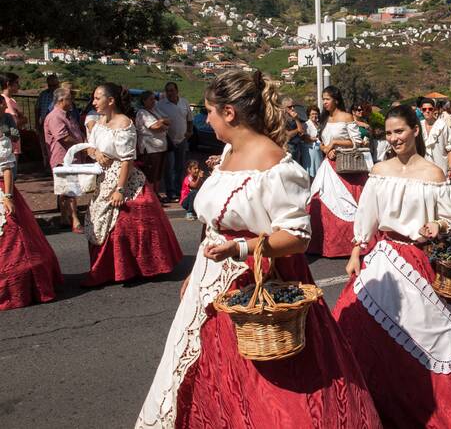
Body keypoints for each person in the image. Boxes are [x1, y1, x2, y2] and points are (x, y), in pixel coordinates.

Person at [136, 71, 381, 429]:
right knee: (207, 373)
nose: (207, 120)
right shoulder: (227, 152)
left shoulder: (277, 165)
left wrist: (240, 248)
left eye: (210, 112)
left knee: (266, 388)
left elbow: (297, 237)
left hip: (258, 284)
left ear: (230, 112)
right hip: (212, 281)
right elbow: (214, 225)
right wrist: (196, 272)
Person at [333, 105, 451, 427]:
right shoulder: (379, 170)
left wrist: (438, 227)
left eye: (399, 131)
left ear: (415, 131)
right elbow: (366, 217)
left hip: (421, 256)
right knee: (360, 324)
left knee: (443, 331)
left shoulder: (433, 174)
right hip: (384, 256)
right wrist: (355, 252)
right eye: (389, 133)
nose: (394, 138)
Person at [82, 83, 183, 287]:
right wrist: (95, 153)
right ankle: (106, 269)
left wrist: (120, 190)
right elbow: (90, 147)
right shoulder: (99, 121)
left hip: (124, 178)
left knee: (126, 221)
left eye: (97, 98)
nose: (93, 102)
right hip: (103, 178)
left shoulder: (125, 123)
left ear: (111, 101)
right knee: (98, 219)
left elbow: (127, 160)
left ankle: (136, 267)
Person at [0, 133, 62, 311]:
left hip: (2, 191)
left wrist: (8, 196)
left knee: (14, 233)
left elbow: (6, 168)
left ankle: (23, 285)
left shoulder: (1, 139)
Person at [307, 85, 369, 258]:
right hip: (328, 166)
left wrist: (335, 144)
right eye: (323, 99)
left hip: (346, 168)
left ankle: (351, 244)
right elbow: (321, 142)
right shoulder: (324, 119)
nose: (324, 102)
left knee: (350, 205)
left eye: (327, 99)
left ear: (335, 99)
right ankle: (323, 245)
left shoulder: (347, 116)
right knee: (319, 200)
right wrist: (326, 149)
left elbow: (357, 142)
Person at [44, 87, 84, 233]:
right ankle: (75, 219)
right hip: (63, 157)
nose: (72, 101)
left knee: (64, 189)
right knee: (70, 188)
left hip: (69, 157)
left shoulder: (68, 115)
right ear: (61, 100)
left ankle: (64, 218)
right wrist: (82, 146)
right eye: (69, 98)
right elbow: (64, 137)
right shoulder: (55, 116)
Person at [157, 82, 193, 202]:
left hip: (182, 139)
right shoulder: (161, 104)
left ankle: (178, 191)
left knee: (180, 166)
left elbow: (189, 119)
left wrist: (189, 131)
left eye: (172, 90)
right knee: (169, 167)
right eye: (167, 91)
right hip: (168, 140)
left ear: (177, 91)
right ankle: (170, 192)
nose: (170, 93)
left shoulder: (184, 102)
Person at [135, 91, 170, 194]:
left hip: (161, 148)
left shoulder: (155, 111)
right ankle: (150, 196)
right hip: (150, 149)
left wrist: (162, 122)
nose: (153, 101)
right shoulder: (142, 113)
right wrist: (162, 122)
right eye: (150, 99)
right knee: (150, 173)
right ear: (144, 101)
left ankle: (156, 194)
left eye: (154, 99)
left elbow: (168, 121)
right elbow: (155, 127)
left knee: (158, 174)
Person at [419, 97, 451, 179]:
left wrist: (450, 168)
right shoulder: (419, 126)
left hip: (440, 168)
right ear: (421, 110)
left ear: (434, 110)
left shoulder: (442, 125)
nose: (427, 111)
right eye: (424, 109)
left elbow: (450, 148)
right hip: (423, 170)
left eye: (430, 109)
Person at [0, 72, 27, 173]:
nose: (18, 85)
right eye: (16, 83)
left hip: (13, 145)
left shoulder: (12, 101)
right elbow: (15, 123)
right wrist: (21, 119)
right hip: (9, 147)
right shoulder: (4, 102)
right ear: (8, 84)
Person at [35, 74, 60, 169]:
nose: (52, 88)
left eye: (54, 85)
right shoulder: (43, 94)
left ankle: (55, 166)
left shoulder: (60, 95)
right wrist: (37, 123)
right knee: (45, 146)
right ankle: (47, 166)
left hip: (57, 125)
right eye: (50, 86)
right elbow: (37, 108)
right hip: (44, 124)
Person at [300, 105, 323, 178]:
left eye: (316, 113)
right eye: (312, 114)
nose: (315, 115)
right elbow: (304, 137)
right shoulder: (306, 124)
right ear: (309, 115)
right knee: (311, 172)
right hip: (310, 151)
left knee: (319, 171)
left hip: (319, 151)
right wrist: (314, 139)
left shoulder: (319, 124)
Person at [281, 96, 304, 164]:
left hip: (297, 146)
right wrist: (298, 130)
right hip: (288, 147)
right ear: (284, 107)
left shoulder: (295, 117)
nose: (292, 108)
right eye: (290, 107)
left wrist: (296, 119)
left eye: (293, 106)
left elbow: (302, 131)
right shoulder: (282, 119)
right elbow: (288, 135)